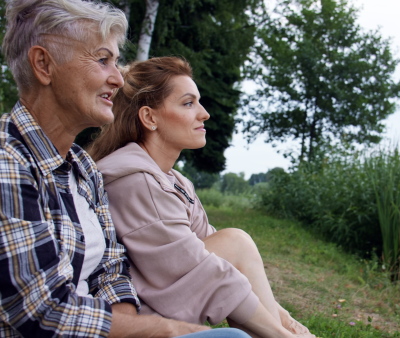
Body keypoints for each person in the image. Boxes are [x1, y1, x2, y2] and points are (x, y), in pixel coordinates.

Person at [0, 1, 250, 337]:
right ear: (44, 64)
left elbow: (112, 272)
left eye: (115, 62)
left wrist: (133, 329)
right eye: (102, 60)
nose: (117, 79)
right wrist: (163, 330)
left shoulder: (83, 168)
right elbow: (40, 312)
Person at [87, 56, 315, 338]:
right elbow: (206, 271)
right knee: (236, 243)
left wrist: (285, 320)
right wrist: (281, 335)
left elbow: (225, 261)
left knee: (235, 246)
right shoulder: (136, 181)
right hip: (140, 317)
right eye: (188, 103)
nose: (204, 113)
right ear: (149, 117)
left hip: (163, 297)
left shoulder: (173, 181)